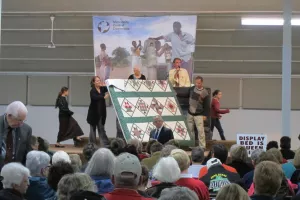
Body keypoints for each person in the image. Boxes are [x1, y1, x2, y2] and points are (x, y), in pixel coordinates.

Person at [178, 76, 210, 148]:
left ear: (202, 82)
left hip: (199, 114)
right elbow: (186, 95)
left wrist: (205, 115)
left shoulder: (205, 92)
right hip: (190, 113)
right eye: (196, 83)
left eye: (199, 83)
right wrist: (177, 94)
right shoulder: (192, 89)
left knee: (200, 131)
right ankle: (191, 145)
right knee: (190, 130)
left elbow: (207, 105)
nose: (197, 84)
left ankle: (202, 146)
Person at [0, 101, 32, 167]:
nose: (21, 124)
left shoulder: (27, 130)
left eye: (23, 120)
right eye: (19, 120)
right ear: (9, 116)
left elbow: (28, 154)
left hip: (16, 172)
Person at [87, 76, 110, 147]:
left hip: (101, 113)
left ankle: (105, 144)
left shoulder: (102, 89)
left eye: (99, 80)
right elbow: (95, 97)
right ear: (94, 82)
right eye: (97, 81)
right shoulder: (92, 91)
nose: (99, 82)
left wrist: (109, 85)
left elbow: (109, 88)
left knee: (101, 128)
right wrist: (103, 97)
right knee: (92, 130)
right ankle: (92, 145)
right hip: (93, 114)